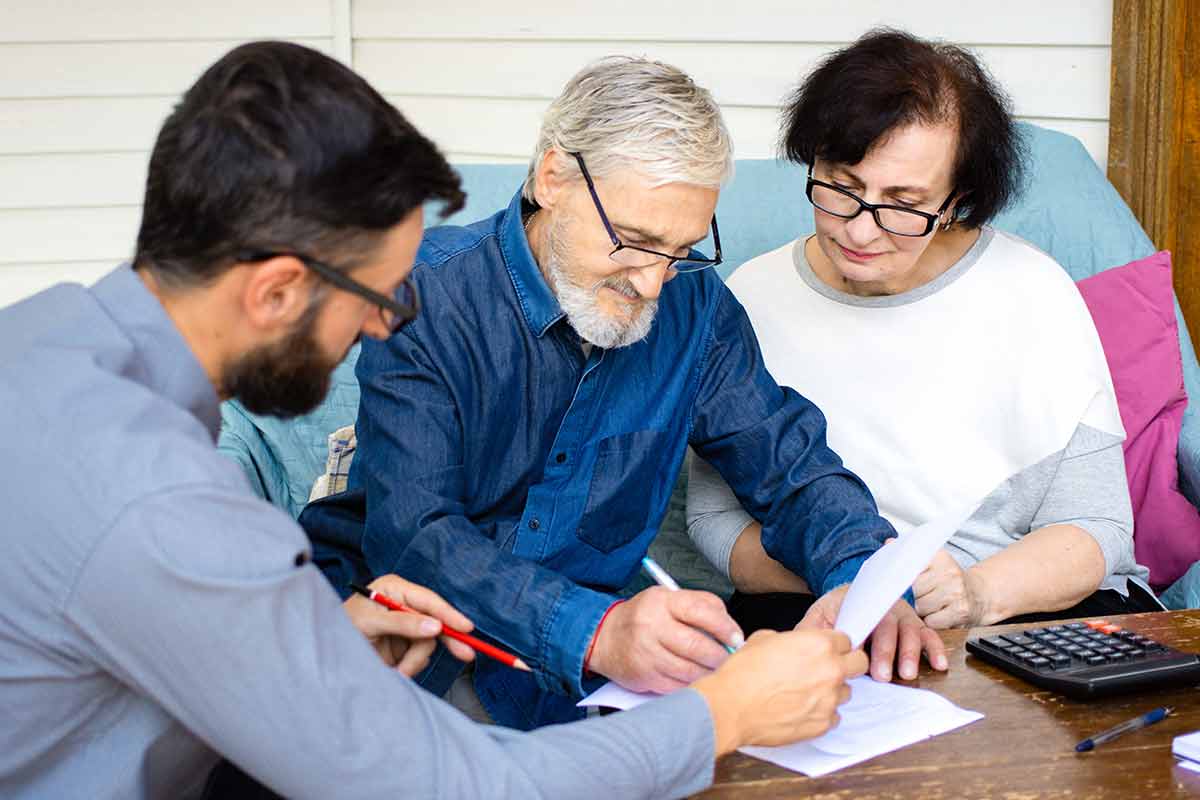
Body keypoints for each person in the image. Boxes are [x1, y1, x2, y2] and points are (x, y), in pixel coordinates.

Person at [0, 41, 871, 800]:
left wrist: (315, 643)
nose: (384, 324)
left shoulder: (40, 343)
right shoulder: (171, 508)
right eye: (375, 296)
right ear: (273, 290)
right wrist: (718, 717)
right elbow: (456, 785)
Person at [299, 55, 946, 733]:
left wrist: (860, 579)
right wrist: (599, 632)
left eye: (682, 248)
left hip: (588, 682)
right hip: (411, 650)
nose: (653, 282)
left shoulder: (693, 305)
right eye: (634, 242)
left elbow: (789, 466)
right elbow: (417, 535)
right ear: (553, 178)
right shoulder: (425, 294)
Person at [686, 28, 1160, 635]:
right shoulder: (751, 297)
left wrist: (973, 593)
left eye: (903, 204)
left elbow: (1098, 528)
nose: (860, 232)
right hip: (814, 596)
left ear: (957, 200)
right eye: (841, 187)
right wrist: (859, 577)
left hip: (1011, 605)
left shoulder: (1034, 292)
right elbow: (714, 522)